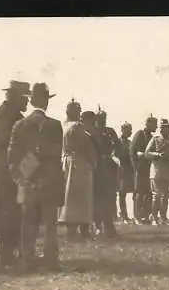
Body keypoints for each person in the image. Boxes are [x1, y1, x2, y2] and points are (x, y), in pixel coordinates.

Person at [8, 82, 64, 271]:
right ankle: (51, 260)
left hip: (27, 181)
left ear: (31, 101)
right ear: (46, 101)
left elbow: (12, 156)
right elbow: (56, 156)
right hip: (48, 182)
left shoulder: (19, 125)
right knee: (50, 224)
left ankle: (27, 259)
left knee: (28, 222)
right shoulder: (55, 125)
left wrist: (23, 178)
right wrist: (46, 178)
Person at [0, 80, 30, 267]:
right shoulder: (10, 117)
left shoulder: (5, 113)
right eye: (24, 98)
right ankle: (5, 254)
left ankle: (7, 252)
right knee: (9, 213)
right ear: (16, 97)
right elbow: (11, 147)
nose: (27, 102)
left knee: (9, 213)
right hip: (8, 171)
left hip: (5, 170)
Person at [58, 100, 98, 241]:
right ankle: (82, 232)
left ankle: (73, 232)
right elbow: (86, 147)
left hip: (67, 162)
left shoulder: (63, 126)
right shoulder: (77, 127)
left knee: (70, 198)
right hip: (79, 163)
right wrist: (93, 163)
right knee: (82, 199)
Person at [145, 119, 169, 225]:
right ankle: (154, 217)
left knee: (165, 196)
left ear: (168, 128)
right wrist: (158, 155)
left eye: (164, 127)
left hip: (168, 172)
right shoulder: (155, 139)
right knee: (156, 195)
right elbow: (147, 153)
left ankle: (163, 218)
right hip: (157, 171)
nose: (161, 129)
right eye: (160, 127)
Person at [93, 106, 120, 238]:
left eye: (104, 118)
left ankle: (109, 226)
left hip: (109, 168)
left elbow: (117, 146)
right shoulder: (93, 132)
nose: (102, 120)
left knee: (110, 197)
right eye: (100, 118)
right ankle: (98, 225)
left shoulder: (110, 131)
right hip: (97, 168)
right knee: (98, 197)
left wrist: (113, 155)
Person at [130, 115, 158, 224]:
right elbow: (132, 152)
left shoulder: (152, 137)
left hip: (149, 169)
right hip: (140, 169)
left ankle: (146, 216)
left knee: (149, 193)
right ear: (149, 124)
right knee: (139, 193)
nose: (156, 127)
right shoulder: (139, 134)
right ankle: (137, 217)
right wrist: (136, 167)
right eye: (154, 124)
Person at [115, 122, 134, 222]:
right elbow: (115, 154)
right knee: (121, 193)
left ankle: (130, 214)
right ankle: (123, 214)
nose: (130, 132)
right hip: (121, 169)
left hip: (129, 170)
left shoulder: (130, 143)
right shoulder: (117, 142)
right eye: (128, 130)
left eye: (130, 130)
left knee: (130, 192)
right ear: (122, 130)